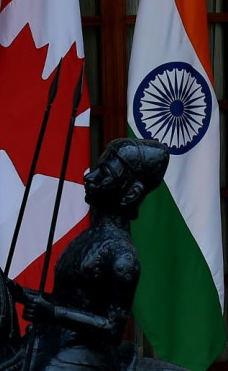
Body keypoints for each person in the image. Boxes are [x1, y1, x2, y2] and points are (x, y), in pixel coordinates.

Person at [18, 138, 170, 370]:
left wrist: (53, 312)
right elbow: (73, 301)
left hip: (84, 356)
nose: (89, 177)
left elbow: (112, 328)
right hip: (55, 340)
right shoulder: (89, 237)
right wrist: (17, 292)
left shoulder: (122, 255)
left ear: (130, 193)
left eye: (104, 173)